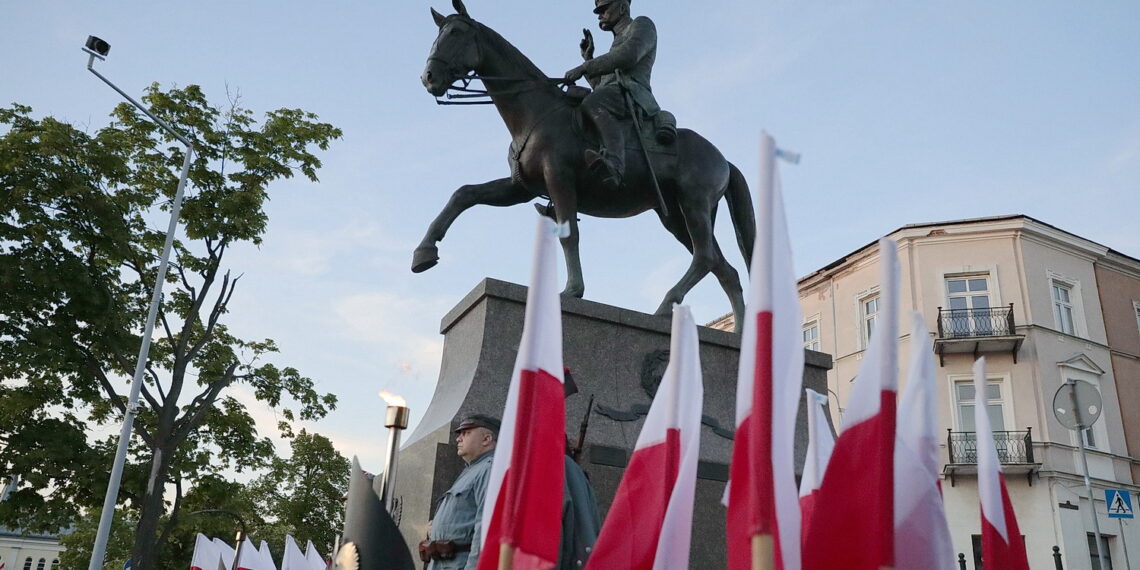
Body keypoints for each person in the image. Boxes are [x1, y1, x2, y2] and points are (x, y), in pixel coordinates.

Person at [563, 0, 660, 192]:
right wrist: (589, 58)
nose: (600, 15)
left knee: (592, 102)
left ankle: (615, 165)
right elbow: (602, 86)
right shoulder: (615, 45)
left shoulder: (641, 25)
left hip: (632, 95)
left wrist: (585, 67)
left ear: (622, 8)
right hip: (613, 95)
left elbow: (629, 56)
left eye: (604, 9)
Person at [420, 414, 499, 570]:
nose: (458, 439)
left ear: (486, 439)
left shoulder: (490, 469)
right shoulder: (472, 470)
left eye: (466, 433)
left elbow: (486, 528)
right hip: (443, 563)